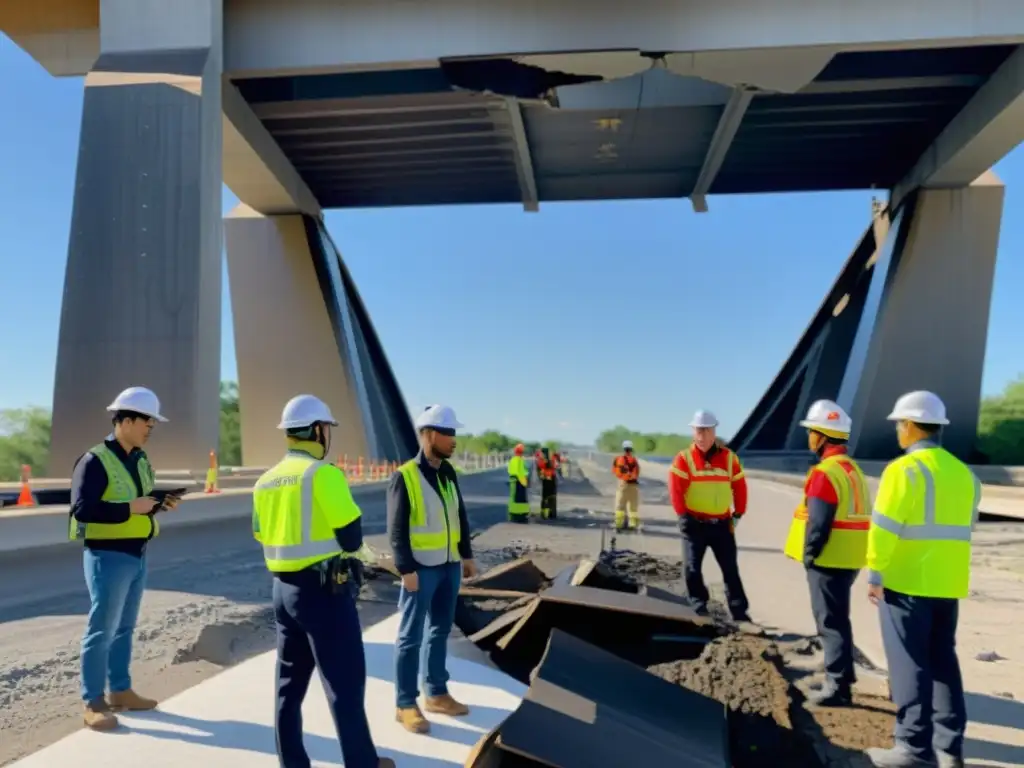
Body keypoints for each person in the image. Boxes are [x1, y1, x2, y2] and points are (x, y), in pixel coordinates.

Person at [253, 394, 392, 768]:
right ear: (317, 431)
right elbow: (350, 537)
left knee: (288, 689)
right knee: (344, 687)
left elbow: (260, 533)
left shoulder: (264, 482)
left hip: (282, 592)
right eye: (327, 429)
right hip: (324, 594)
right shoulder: (323, 474)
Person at [864, 392, 980, 768]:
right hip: (947, 584)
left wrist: (875, 571)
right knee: (943, 661)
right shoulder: (965, 474)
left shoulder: (902, 471)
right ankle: (950, 749)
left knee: (909, 663)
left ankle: (913, 748)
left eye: (900, 424)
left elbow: (883, 528)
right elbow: (966, 528)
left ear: (911, 426)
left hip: (906, 582)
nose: (899, 431)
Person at [70, 386, 177, 731]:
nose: (151, 429)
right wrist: (131, 508)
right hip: (107, 556)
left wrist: (159, 504)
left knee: (125, 627)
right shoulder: (94, 460)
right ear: (127, 420)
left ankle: (120, 690)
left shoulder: (140, 459)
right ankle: (93, 701)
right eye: (148, 422)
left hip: (137, 553)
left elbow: (139, 499)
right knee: (102, 629)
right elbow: (83, 509)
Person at [389, 404, 478, 734]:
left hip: (449, 565)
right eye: (449, 433)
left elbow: (460, 515)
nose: (454, 440)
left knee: (440, 630)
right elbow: (397, 530)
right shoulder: (405, 477)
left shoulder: (449, 474)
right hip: (421, 570)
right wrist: (405, 569)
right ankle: (405, 703)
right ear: (428, 435)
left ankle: (437, 693)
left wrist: (466, 555)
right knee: (410, 638)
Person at [783, 400, 871, 707]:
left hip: (828, 558)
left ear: (822, 437)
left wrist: (810, 554)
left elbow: (819, 522)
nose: (809, 438)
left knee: (829, 623)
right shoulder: (852, 470)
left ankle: (837, 686)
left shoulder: (825, 473)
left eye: (811, 432)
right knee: (838, 619)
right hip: (850, 558)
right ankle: (844, 677)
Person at [668, 409, 751, 621]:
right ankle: (698, 607)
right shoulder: (684, 459)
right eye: (698, 431)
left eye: (706, 431)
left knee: (730, 570)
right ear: (693, 432)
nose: (702, 436)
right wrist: (683, 517)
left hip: (722, 525)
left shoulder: (729, 458)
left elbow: (739, 487)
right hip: (694, 525)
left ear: (714, 432)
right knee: (691, 568)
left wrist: (738, 513)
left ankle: (739, 611)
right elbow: (676, 490)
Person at [611, 440, 641, 531]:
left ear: (623, 449)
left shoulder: (618, 459)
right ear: (631, 449)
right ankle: (633, 525)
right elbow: (637, 472)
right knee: (633, 507)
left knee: (620, 506)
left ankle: (619, 524)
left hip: (622, 484)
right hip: (633, 485)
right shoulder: (634, 460)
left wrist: (623, 477)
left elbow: (614, 471)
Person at [507, 443, 530, 522]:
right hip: (520, 481)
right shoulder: (520, 460)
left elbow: (511, 471)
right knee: (521, 499)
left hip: (513, 481)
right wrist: (525, 482)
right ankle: (521, 515)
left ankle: (513, 515)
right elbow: (523, 472)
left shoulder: (512, 460)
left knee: (513, 498)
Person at [536, 446, 558, 519]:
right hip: (547, 479)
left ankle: (551, 513)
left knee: (550, 497)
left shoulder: (550, 459)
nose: (541, 454)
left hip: (550, 479)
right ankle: (545, 513)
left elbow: (554, 466)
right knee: (547, 497)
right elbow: (539, 468)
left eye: (542, 453)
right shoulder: (542, 460)